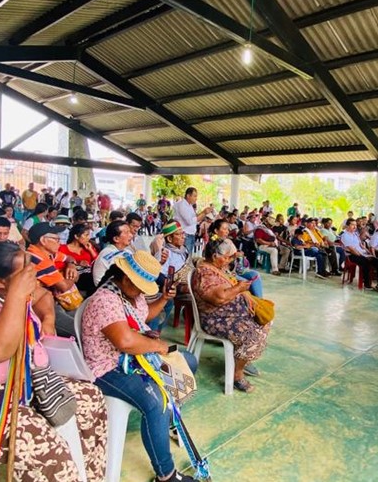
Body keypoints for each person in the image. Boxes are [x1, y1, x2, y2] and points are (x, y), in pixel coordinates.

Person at [0, 242, 107, 481]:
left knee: (90, 399)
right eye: (26, 271)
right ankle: (68, 472)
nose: (34, 275)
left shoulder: (8, 294)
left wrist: (47, 317)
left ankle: (88, 475)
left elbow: (44, 294)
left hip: (22, 388)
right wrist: (17, 294)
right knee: (48, 453)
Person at [81, 250, 194, 482]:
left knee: (188, 362)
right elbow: (126, 341)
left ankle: (167, 422)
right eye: (140, 285)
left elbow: (144, 315)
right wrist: (158, 346)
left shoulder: (130, 293)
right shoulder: (106, 299)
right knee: (156, 403)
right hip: (108, 367)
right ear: (124, 276)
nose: (142, 290)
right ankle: (166, 474)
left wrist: (163, 299)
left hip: (133, 359)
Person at [192, 239, 269, 393]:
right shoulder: (204, 272)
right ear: (214, 256)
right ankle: (237, 375)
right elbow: (219, 298)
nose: (228, 261)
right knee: (253, 334)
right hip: (216, 319)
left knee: (264, 320)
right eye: (226, 257)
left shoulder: (217, 268)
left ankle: (242, 360)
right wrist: (239, 288)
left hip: (230, 316)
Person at [340, 218, 378, 290]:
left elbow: (361, 245)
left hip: (362, 253)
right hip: (352, 255)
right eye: (352, 225)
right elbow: (352, 249)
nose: (355, 227)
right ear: (347, 226)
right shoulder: (345, 235)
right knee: (366, 262)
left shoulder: (355, 234)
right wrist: (364, 256)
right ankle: (367, 284)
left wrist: (368, 252)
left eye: (355, 225)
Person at [92, 220, 134, 286]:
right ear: (116, 239)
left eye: (130, 232)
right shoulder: (107, 254)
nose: (131, 235)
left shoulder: (127, 251)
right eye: (126, 233)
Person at [61, 223, 99, 294]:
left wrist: (91, 250)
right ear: (76, 236)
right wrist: (78, 265)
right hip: (74, 279)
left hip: (89, 278)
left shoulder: (87, 248)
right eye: (86, 235)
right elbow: (60, 265)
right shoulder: (63, 248)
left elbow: (98, 262)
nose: (89, 238)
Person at [174, 187, 213, 255]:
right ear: (188, 196)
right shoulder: (182, 204)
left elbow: (195, 219)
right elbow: (190, 221)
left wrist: (204, 213)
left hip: (191, 235)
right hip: (185, 235)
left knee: (189, 257)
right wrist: (204, 212)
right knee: (185, 257)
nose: (196, 198)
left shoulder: (189, 206)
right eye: (194, 196)